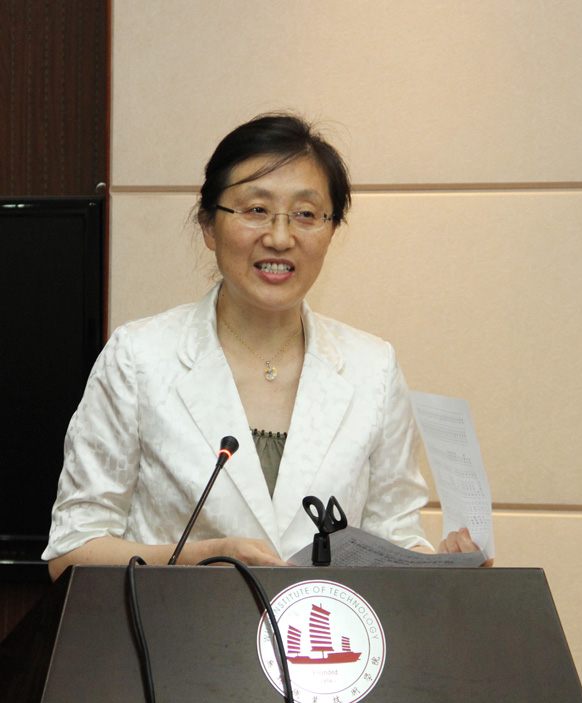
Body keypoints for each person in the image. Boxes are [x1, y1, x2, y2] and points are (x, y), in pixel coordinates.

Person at [43, 113, 487, 581]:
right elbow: (72, 552)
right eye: (256, 210)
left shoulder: (372, 368)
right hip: (176, 628)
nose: (279, 237)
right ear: (209, 225)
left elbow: (394, 538)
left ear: (332, 230)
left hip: (321, 631)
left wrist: (441, 568)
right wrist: (204, 558)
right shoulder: (139, 358)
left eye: (306, 214)